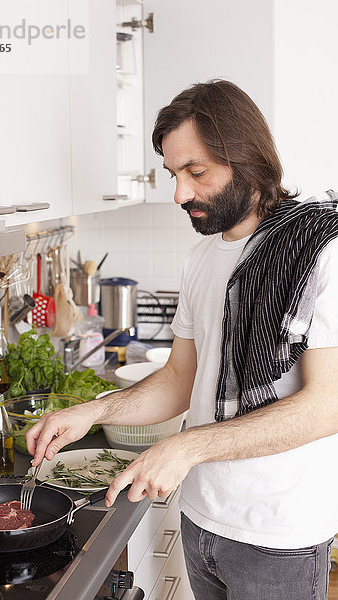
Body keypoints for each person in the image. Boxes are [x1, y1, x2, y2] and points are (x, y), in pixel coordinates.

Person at [27, 80, 338, 600]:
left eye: (197, 172)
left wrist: (186, 447)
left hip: (276, 534)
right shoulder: (202, 258)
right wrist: (92, 412)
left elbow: (328, 404)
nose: (180, 193)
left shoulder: (322, 252)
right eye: (173, 174)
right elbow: (179, 379)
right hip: (201, 518)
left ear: (249, 159)